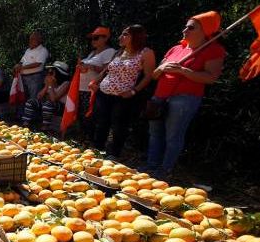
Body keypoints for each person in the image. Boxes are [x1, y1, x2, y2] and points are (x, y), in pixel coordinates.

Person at [145, 11, 226, 178]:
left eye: (191, 27)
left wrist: (182, 71)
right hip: (159, 96)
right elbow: (154, 74)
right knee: (155, 133)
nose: (185, 30)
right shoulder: (176, 48)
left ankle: (164, 170)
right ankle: (151, 166)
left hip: (184, 99)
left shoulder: (214, 50)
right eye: (185, 26)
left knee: (173, 135)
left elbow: (211, 77)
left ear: (205, 31)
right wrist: (161, 69)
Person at [91, 25, 155, 158]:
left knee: (119, 125)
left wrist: (133, 91)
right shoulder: (119, 51)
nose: (120, 37)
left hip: (123, 96)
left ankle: (114, 154)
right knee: (101, 122)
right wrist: (95, 82)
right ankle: (96, 150)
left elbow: (149, 76)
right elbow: (106, 70)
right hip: (103, 93)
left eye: (125, 34)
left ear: (136, 36)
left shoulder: (146, 52)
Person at [78, 27, 116, 139]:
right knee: (82, 116)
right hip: (82, 88)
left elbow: (107, 70)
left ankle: (91, 141)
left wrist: (90, 66)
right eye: (92, 38)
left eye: (96, 38)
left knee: (91, 116)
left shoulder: (110, 52)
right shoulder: (92, 53)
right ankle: (84, 139)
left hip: (93, 90)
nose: (93, 41)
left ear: (106, 38)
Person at [22, 61, 72, 131]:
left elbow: (54, 99)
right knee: (31, 102)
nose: (49, 74)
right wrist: (46, 86)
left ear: (58, 73)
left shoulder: (66, 83)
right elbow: (39, 97)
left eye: (52, 72)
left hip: (62, 107)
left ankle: (45, 127)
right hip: (50, 104)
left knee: (48, 104)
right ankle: (26, 125)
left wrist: (50, 85)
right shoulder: (51, 82)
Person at [14, 32, 49, 102]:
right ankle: (23, 113)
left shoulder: (43, 50)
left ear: (39, 40)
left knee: (33, 99)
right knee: (23, 98)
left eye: (33, 39)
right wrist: (18, 65)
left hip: (35, 78)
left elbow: (38, 64)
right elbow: (22, 61)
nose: (30, 41)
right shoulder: (28, 50)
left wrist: (22, 67)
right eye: (30, 39)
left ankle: (33, 113)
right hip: (23, 77)